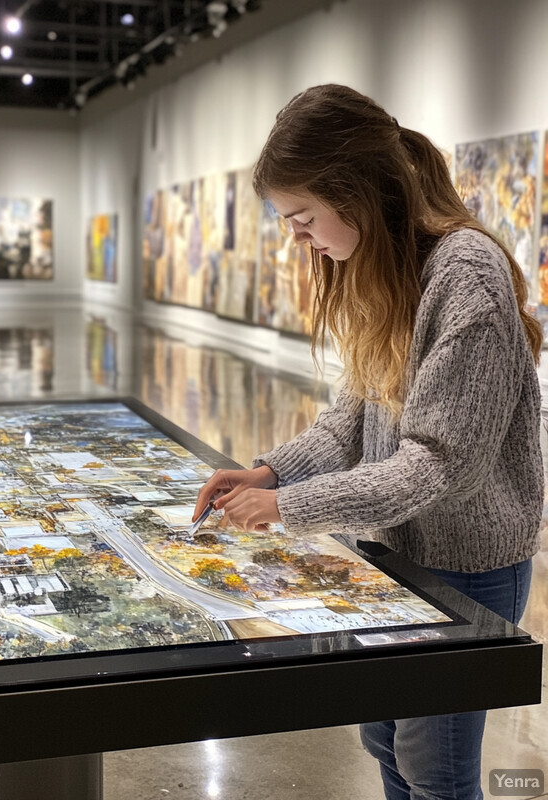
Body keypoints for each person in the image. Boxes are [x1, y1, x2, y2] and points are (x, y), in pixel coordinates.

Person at [193, 84, 543, 800]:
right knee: (383, 739)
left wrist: (290, 505)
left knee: (435, 770)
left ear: (352, 193)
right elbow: (346, 423)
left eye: (303, 216)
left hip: (466, 568)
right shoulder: (386, 270)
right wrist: (265, 473)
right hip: (398, 558)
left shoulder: (465, 276)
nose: (297, 236)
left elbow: (436, 465)